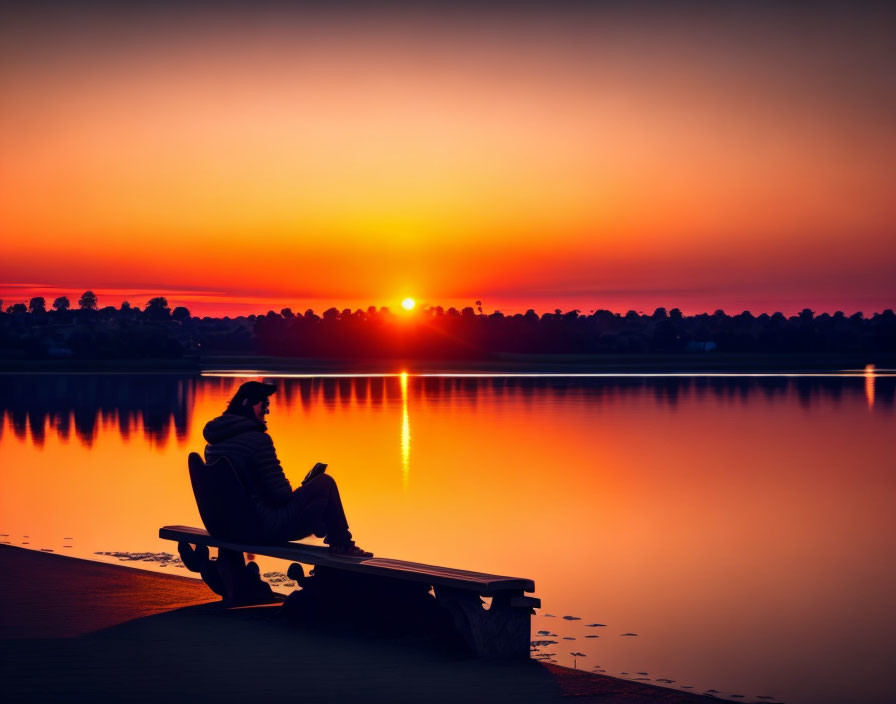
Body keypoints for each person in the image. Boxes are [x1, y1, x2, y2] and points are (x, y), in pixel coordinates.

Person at [202, 380, 372, 557]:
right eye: (264, 404)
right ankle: (341, 544)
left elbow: (249, 490)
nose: (267, 410)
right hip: (259, 528)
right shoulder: (258, 441)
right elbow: (281, 495)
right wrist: (307, 489)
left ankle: (326, 530)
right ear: (246, 403)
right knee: (324, 483)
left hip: (224, 526)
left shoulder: (213, 446)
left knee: (313, 497)